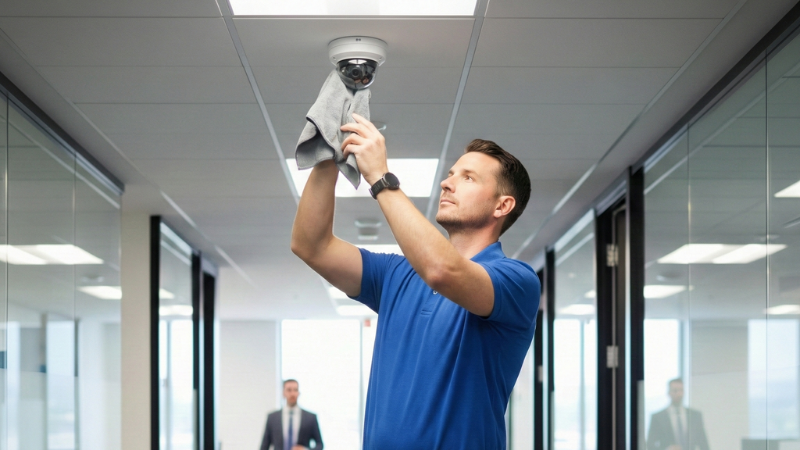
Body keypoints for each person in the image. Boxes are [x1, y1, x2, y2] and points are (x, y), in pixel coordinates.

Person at [290, 113, 540, 449]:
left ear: (502, 205)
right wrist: (330, 155)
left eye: (468, 178)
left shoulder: (516, 281)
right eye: (451, 174)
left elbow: (443, 271)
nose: (446, 183)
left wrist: (379, 177)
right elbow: (312, 245)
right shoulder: (397, 274)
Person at [260, 379, 323, 450]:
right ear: (283, 393)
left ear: (299, 393)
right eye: (289, 390)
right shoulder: (272, 418)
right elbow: (264, 446)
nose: (292, 393)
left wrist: (305, 449)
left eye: (295, 390)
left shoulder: (310, 418)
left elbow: (320, 444)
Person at [647, 378, 710, 450]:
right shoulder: (658, 417)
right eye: (675, 390)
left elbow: (704, 444)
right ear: (669, 392)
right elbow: (650, 444)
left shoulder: (695, 416)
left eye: (681, 390)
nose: (679, 394)